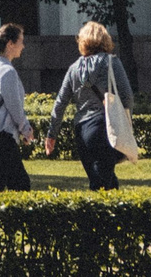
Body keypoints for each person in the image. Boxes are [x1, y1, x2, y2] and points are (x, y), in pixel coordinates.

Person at [44, 20, 135, 192]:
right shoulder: (111, 62)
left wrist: (51, 134)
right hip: (104, 126)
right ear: (105, 39)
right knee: (104, 184)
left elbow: (60, 103)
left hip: (81, 130)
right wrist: (126, 120)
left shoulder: (73, 68)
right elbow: (127, 95)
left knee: (101, 180)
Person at [0, 23, 34, 191]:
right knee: (19, 185)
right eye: (21, 41)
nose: (23, 46)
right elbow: (15, 107)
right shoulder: (7, 72)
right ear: (10, 44)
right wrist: (26, 129)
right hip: (3, 135)